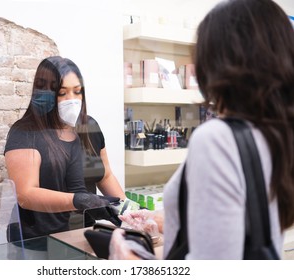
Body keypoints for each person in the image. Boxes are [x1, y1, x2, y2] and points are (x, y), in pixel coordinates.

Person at [109, 0, 294, 260]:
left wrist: (131, 262)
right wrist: (168, 219)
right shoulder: (277, 134)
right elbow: (243, 226)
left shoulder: (218, 138)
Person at [4, 56, 125, 241]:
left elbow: (105, 175)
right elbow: (26, 194)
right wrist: (79, 200)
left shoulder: (89, 126)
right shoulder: (25, 133)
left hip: (83, 235)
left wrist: (126, 213)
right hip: (39, 241)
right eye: (62, 93)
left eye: (77, 92)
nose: (72, 100)